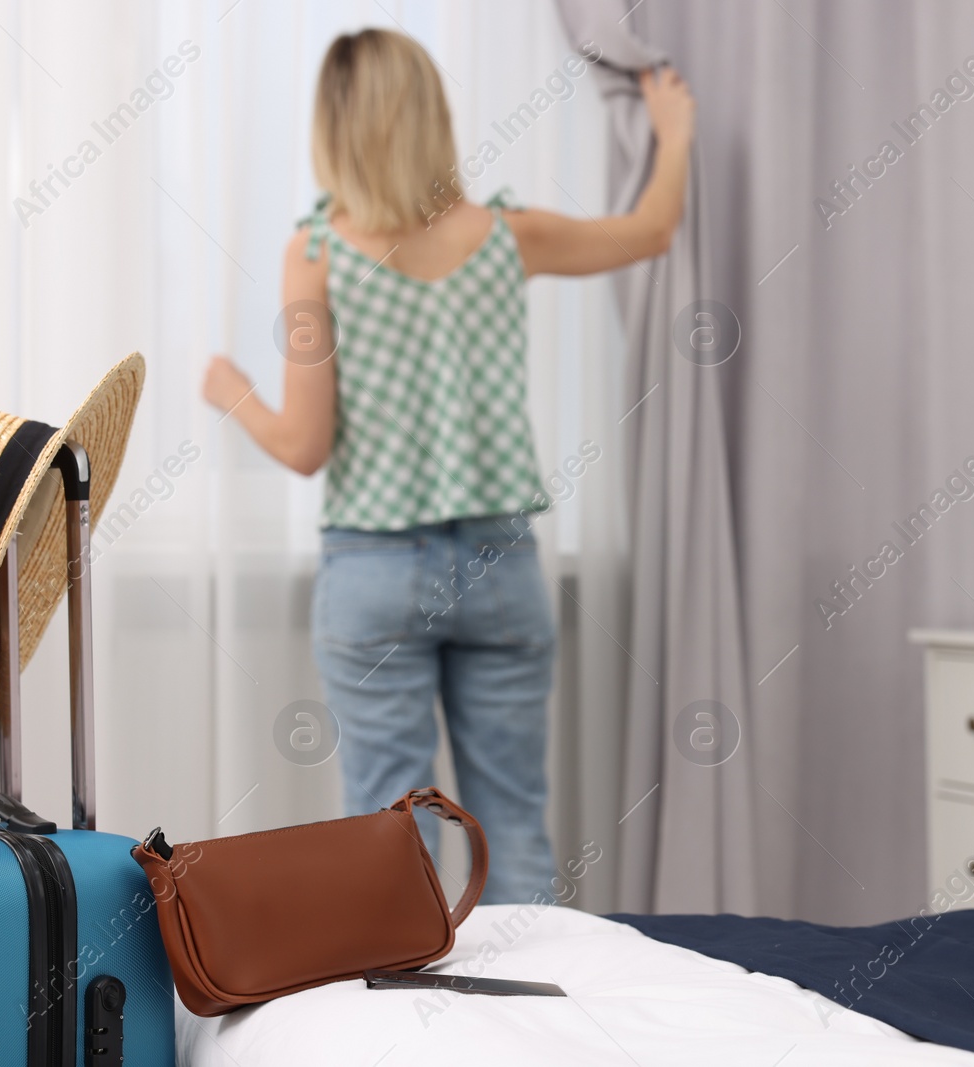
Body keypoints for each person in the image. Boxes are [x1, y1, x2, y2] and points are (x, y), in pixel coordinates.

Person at [202, 27, 693, 903]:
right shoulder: (509, 236)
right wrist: (675, 133)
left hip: (374, 571)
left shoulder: (314, 255)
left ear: (337, 128)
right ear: (433, 118)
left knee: (391, 836)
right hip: (501, 569)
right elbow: (650, 232)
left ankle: (404, 1024)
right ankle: (529, 1023)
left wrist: (232, 390)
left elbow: (306, 447)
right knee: (514, 827)